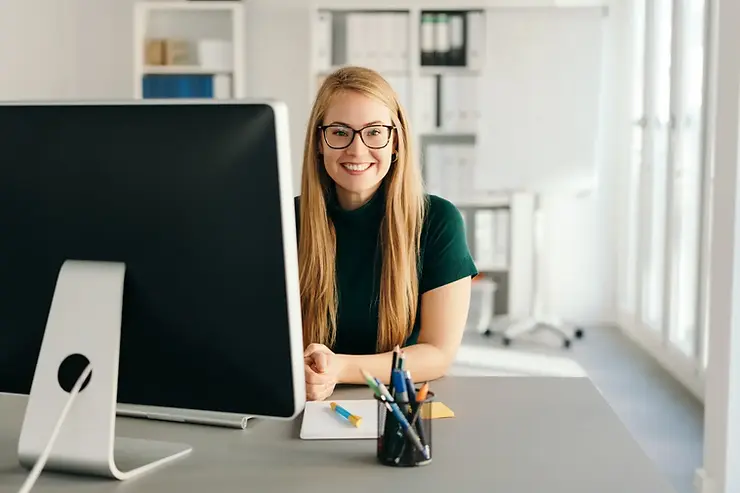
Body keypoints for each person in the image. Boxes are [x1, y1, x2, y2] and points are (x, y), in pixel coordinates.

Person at [296, 66, 478, 401]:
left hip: (397, 406)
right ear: (318, 143)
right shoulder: (286, 221)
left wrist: (338, 369)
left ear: (395, 141)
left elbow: (438, 355)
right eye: (339, 132)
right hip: (303, 402)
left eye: (374, 132)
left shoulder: (437, 221)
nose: (357, 149)